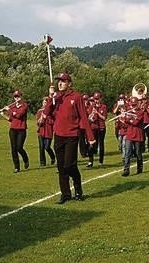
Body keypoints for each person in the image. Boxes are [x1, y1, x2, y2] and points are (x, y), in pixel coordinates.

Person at [44, 72, 95, 204]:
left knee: (69, 165)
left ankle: (78, 189)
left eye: (63, 81)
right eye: (59, 81)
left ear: (69, 83)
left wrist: (90, 137)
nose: (60, 83)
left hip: (72, 135)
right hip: (59, 135)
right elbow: (46, 112)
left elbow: (83, 117)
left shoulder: (76, 97)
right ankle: (65, 194)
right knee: (61, 167)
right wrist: (51, 97)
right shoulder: (56, 97)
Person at [0, 90, 29, 173]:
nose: (17, 98)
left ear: (21, 97)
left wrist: (9, 110)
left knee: (19, 147)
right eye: (15, 97)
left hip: (21, 129)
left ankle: (25, 159)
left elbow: (18, 115)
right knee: (13, 149)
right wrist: (3, 115)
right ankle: (17, 167)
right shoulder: (13, 107)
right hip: (13, 129)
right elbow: (12, 119)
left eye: (18, 96)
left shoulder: (24, 106)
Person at [122, 96, 144, 177]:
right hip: (129, 134)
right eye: (132, 105)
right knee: (128, 153)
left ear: (137, 104)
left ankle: (139, 168)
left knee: (138, 153)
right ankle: (126, 170)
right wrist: (125, 117)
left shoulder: (141, 112)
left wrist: (129, 118)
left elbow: (135, 122)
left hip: (137, 135)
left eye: (134, 105)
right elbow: (125, 122)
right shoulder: (128, 111)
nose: (133, 106)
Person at [36, 97, 55, 167]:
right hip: (41, 132)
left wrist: (46, 117)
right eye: (44, 102)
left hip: (48, 132)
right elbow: (38, 123)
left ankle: (52, 157)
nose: (44, 104)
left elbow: (53, 122)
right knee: (41, 147)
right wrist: (39, 121)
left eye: (46, 103)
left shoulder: (51, 112)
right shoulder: (39, 111)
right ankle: (42, 162)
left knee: (47, 147)